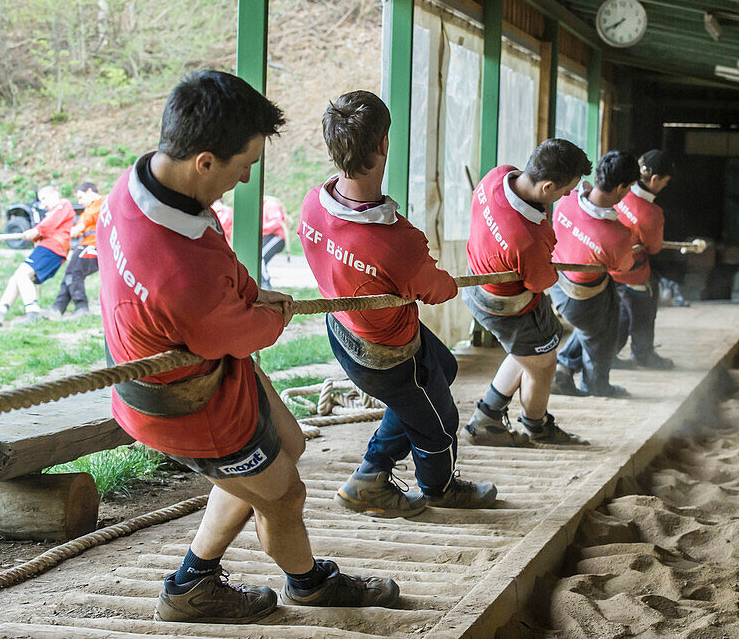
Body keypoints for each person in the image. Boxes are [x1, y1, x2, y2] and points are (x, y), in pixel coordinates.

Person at [98, 71, 398, 624]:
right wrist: (260, 313)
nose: (243, 181)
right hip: (188, 406)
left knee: (285, 444)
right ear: (204, 161)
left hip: (197, 373)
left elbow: (214, 278)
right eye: (243, 168)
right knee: (284, 494)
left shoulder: (136, 183)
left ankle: (191, 583)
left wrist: (247, 293)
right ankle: (309, 584)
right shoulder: (181, 275)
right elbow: (244, 333)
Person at [301, 90, 496, 518]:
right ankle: (439, 488)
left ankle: (370, 477)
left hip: (344, 330)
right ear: (384, 144)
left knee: (444, 368)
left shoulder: (314, 203)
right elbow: (440, 290)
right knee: (439, 427)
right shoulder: (398, 241)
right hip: (389, 353)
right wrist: (433, 274)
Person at [461, 139, 593, 447]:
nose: (569, 195)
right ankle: (538, 426)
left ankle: (487, 417)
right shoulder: (528, 240)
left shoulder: (497, 175)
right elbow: (540, 283)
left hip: (476, 284)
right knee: (544, 364)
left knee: (526, 354)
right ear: (547, 187)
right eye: (565, 190)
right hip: (510, 306)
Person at [549, 150, 639, 399]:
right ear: (621, 187)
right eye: (630, 186)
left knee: (589, 330)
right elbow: (623, 269)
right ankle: (596, 385)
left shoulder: (566, 200)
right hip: (584, 301)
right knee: (605, 334)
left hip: (556, 283)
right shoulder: (617, 235)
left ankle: (563, 370)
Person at [0, 185, 75, 326]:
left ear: (55, 194)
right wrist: (34, 234)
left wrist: (37, 230)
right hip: (48, 248)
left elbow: (49, 224)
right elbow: (46, 228)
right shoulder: (52, 212)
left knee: (22, 275)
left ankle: (33, 313)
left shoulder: (63, 205)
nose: (43, 203)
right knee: (17, 277)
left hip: (52, 248)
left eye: (44, 198)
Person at [613, 149, 675, 370]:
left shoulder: (620, 194)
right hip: (632, 270)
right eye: (665, 182)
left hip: (611, 268)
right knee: (646, 302)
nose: (665, 186)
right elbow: (654, 248)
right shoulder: (651, 213)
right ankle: (643, 354)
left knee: (622, 310)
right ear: (655, 178)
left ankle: (610, 353)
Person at [50, 182, 104, 319]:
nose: (80, 202)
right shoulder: (89, 209)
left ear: (90, 191)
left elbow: (77, 230)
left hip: (93, 246)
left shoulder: (102, 202)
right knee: (70, 274)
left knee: (74, 273)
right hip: (87, 244)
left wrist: (56, 233)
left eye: (81, 197)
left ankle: (81, 308)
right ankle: (57, 308)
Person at [211, 196, 287, 289]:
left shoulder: (270, 204)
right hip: (267, 235)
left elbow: (276, 222)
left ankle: (265, 283)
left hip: (276, 236)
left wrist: (260, 229)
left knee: (261, 256)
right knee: (258, 256)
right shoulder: (261, 206)